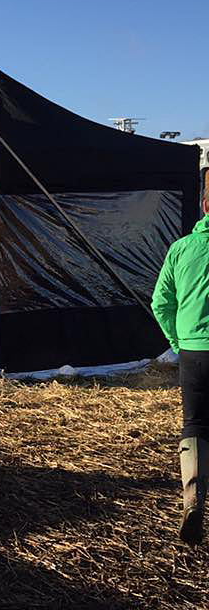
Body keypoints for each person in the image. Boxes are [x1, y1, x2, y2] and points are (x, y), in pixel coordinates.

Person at [153, 189, 209, 545]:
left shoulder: (182, 249)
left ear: (205, 205)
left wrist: (178, 341)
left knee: (195, 424)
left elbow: (161, 302)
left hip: (194, 352)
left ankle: (193, 498)